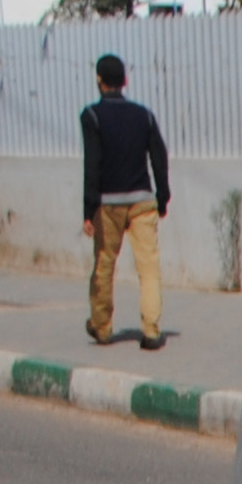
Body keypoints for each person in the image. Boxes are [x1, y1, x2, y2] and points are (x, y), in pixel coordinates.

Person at [81, 55, 171, 350]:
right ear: (125, 81)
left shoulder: (92, 116)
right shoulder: (143, 115)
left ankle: (102, 327)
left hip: (108, 204)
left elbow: (92, 164)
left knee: (105, 265)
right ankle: (152, 330)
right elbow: (159, 156)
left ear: (98, 80)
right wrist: (162, 196)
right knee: (149, 268)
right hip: (143, 201)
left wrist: (88, 209)